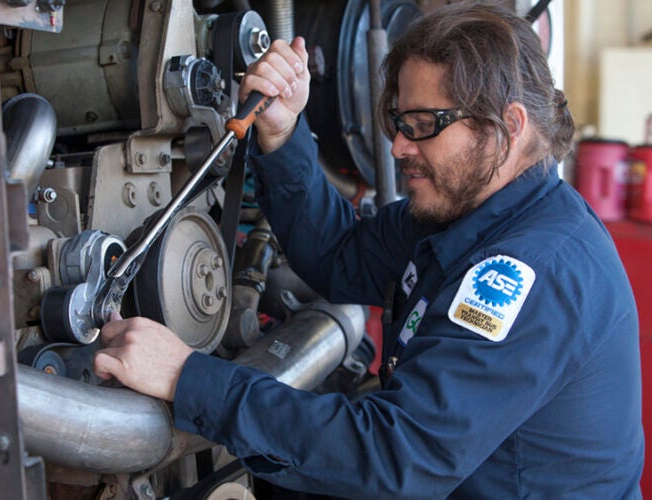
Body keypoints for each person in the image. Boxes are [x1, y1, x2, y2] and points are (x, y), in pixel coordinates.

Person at [94, 3, 644, 497]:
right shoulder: (466, 214)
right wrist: (284, 134)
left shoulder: (531, 270)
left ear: (509, 127)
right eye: (399, 122)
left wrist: (186, 376)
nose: (400, 146)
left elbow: (397, 455)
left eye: (426, 125)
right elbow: (340, 254)